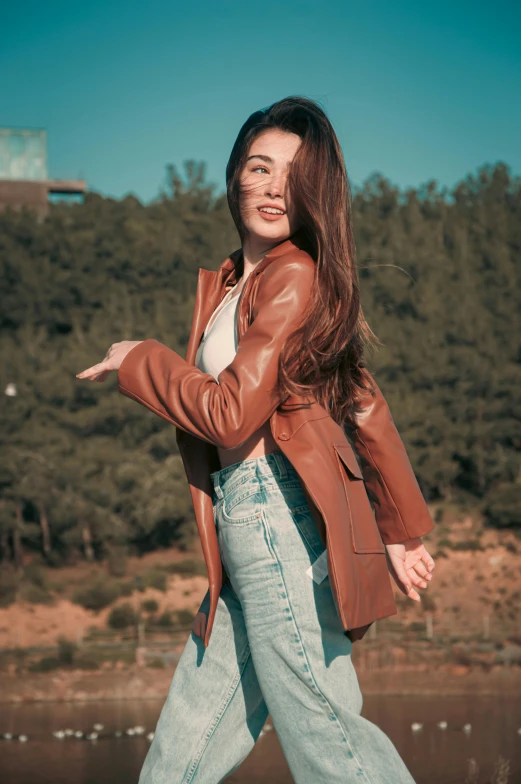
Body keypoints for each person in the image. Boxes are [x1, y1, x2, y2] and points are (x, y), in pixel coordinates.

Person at [77, 96, 435, 784]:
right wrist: (399, 527)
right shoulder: (239, 283)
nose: (272, 188)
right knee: (183, 748)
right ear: (233, 177)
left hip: (273, 516)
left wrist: (141, 359)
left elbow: (231, 415)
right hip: (246, 524)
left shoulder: (294, 274)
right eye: (257, 167)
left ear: (313, 192)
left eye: (291, 175)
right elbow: (359, 401)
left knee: (325, 733)